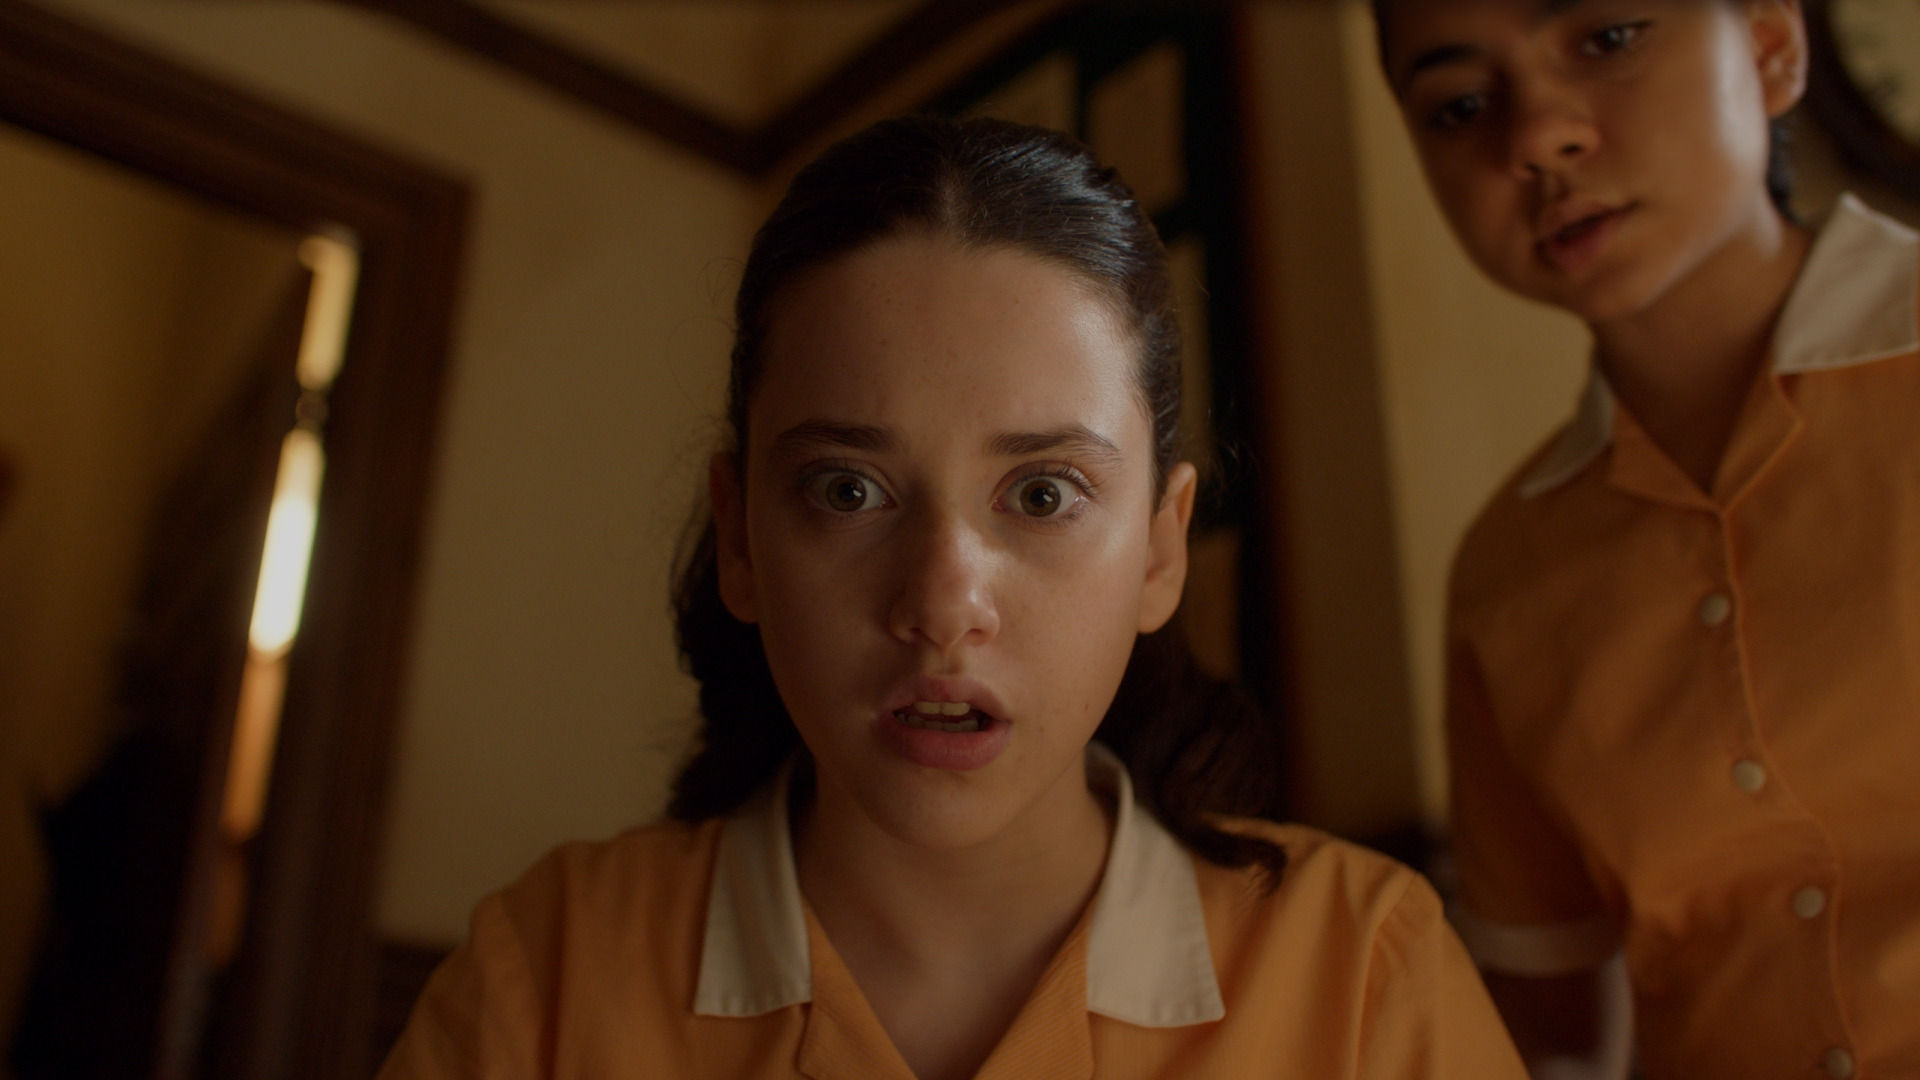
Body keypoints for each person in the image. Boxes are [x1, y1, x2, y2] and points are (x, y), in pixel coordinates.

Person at [378, 114, 1526, 1079]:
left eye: (1042, 494)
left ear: (1160, 551)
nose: (941, 603)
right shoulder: (548, 976)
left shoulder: (1364, 974)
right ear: (739, 537)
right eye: (847, 489)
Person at [1370, 1, 1920, 1077]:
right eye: (1461, 105)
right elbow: (1549, 1030)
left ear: (1770, 45)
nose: (1536, 138)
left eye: (1609, 39)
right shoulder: (1509, 577)